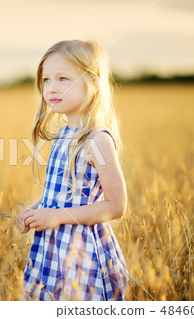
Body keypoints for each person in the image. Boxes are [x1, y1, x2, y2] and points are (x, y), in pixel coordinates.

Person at [16, 39, 129, 301]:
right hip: (53, 246)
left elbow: (116, 205)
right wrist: (35, 210)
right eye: (46, 80)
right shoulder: (64, 135)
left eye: (63, 78)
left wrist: (57, 217)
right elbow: (60, 193)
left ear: (93, 83)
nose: (51, 88)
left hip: (80, 249)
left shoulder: (96, 139)